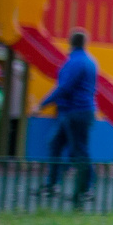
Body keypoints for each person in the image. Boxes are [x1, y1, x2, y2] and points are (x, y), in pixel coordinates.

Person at [38, 29, 99, 205]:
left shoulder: (75, 62)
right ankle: (53, 184)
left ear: (70, 42)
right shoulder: (89, 61)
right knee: (56, 144)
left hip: (75, 112)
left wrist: (42, 104)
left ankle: (86, 188)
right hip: (78, 112)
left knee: (79, 151)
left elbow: (64, 87)